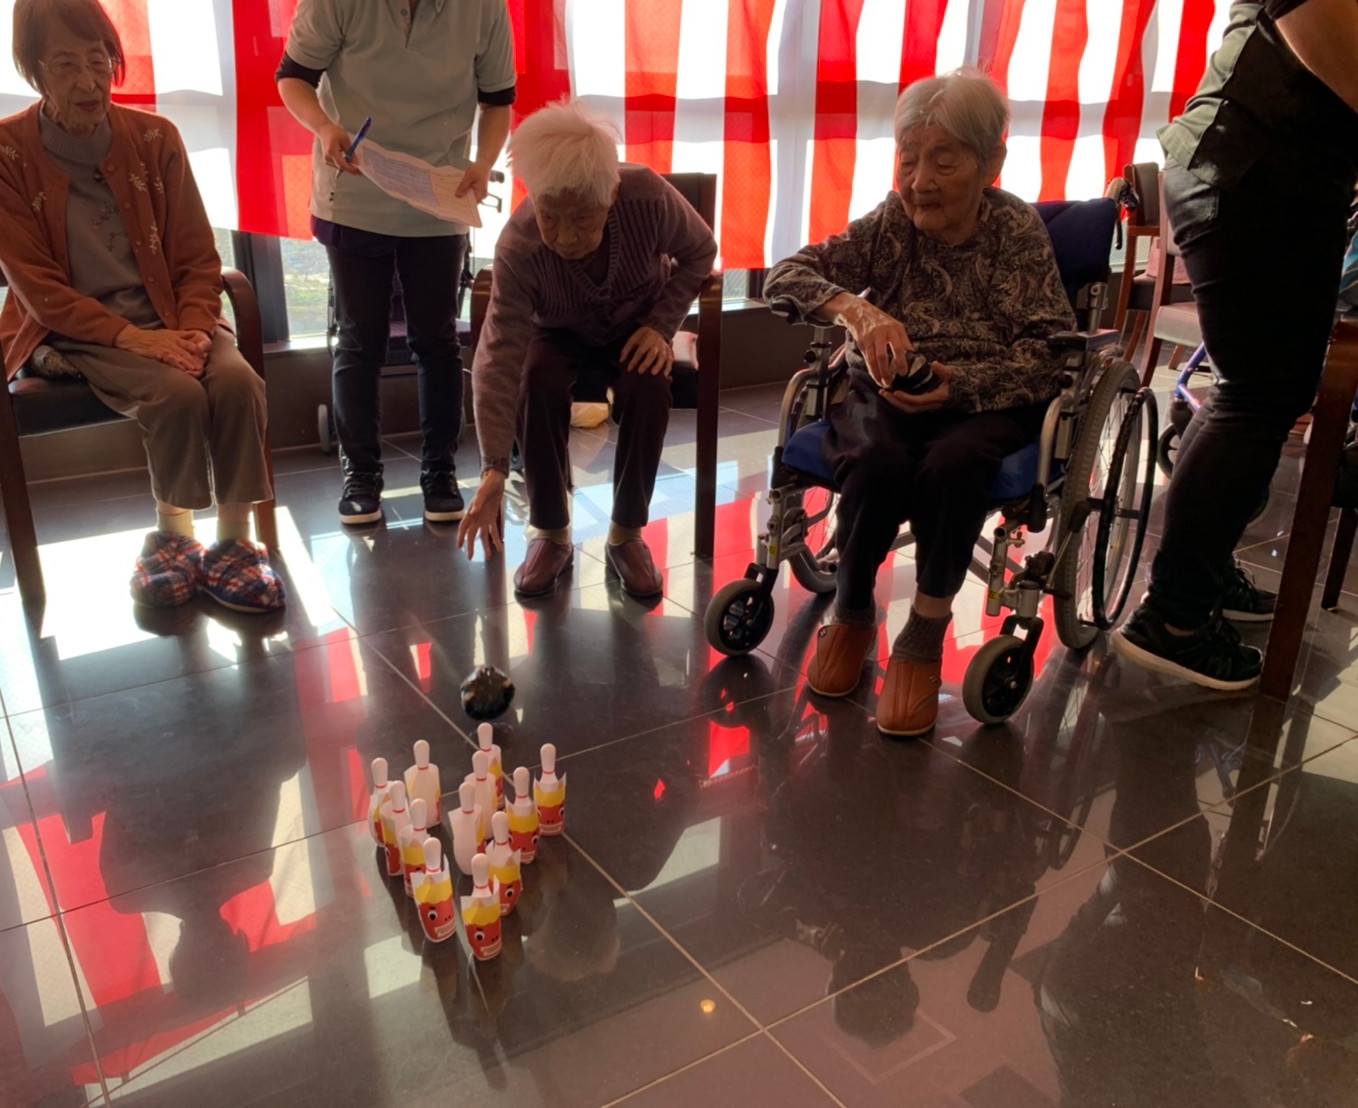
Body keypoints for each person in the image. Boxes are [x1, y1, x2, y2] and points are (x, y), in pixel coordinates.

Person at [762, 69, 1074, 736]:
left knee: (954, 466)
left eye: (944, 161)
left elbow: (1049, 353)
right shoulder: (891, 222)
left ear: (990, 162)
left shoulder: (1015, 231)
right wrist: (857, 312)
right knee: (875, 460)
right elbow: (784, 277)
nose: (919, 180)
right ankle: (852, 613)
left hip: (986, 397)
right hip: (889, 387)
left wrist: (962, 383)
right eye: (908, 158)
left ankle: (924, 635)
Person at [0, 0, 282, 613]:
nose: (89, 83)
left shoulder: (155, 138)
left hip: (174, 318)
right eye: (66, 65)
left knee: (239, 382)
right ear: (34, 68)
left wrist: (193, 333)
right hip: (73, 329)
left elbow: (197, 256)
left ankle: (235, 542)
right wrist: (139, 341)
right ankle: (174, 538)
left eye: (98, 61)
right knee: (177, 394)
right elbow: (36, 286)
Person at [1114, 0, 1358, 690]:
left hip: (1256, 172)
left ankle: (1200, 574)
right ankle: (1175, 617)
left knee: (1250, 393)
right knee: (1259, 397)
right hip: (1256, 174)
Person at [456, 101, 718, 600]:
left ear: (611, 194)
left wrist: (661, 326)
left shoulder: (646, 196)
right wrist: (493, 468)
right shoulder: (519, 246)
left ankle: (627, 532)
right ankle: (550, 531)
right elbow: (498, 354)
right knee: (535, 380)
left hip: (638, 326)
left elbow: (700, 251)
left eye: (582, 217)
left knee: (648, 385)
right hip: (555, 331)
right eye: (550, 216)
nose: (566, 236)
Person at [276, 0, 516, 527]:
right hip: (354, 189)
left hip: (439, 195)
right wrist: (324, 127)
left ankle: (440, 472)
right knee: (360, 339)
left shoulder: (484, 8)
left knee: (436, 339)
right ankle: (361, 475)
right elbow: (293, 78)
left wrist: (483, 161)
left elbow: (498, 99)